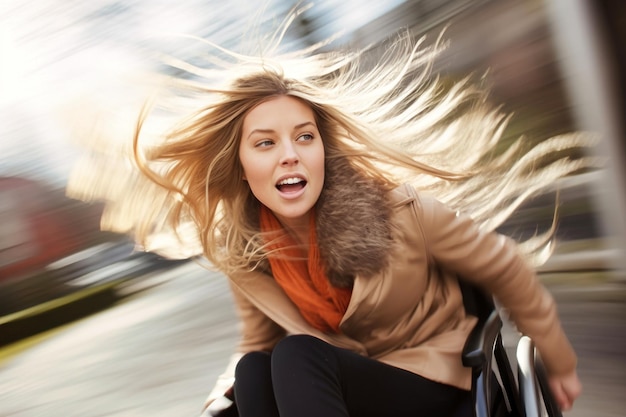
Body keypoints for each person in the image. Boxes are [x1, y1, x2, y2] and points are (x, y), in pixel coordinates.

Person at [71, 12, 591, 417]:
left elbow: (506, 267)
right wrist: (216, 401)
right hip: (342, 388)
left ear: (323, 149)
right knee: (255, 369)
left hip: (435, 381)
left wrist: (559, 363)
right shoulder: (249, 254)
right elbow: (254, 343)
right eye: (265, 143)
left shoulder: (404, 214)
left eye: (303, 137)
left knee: (297, 355)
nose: (290, 154)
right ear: (242, 164)